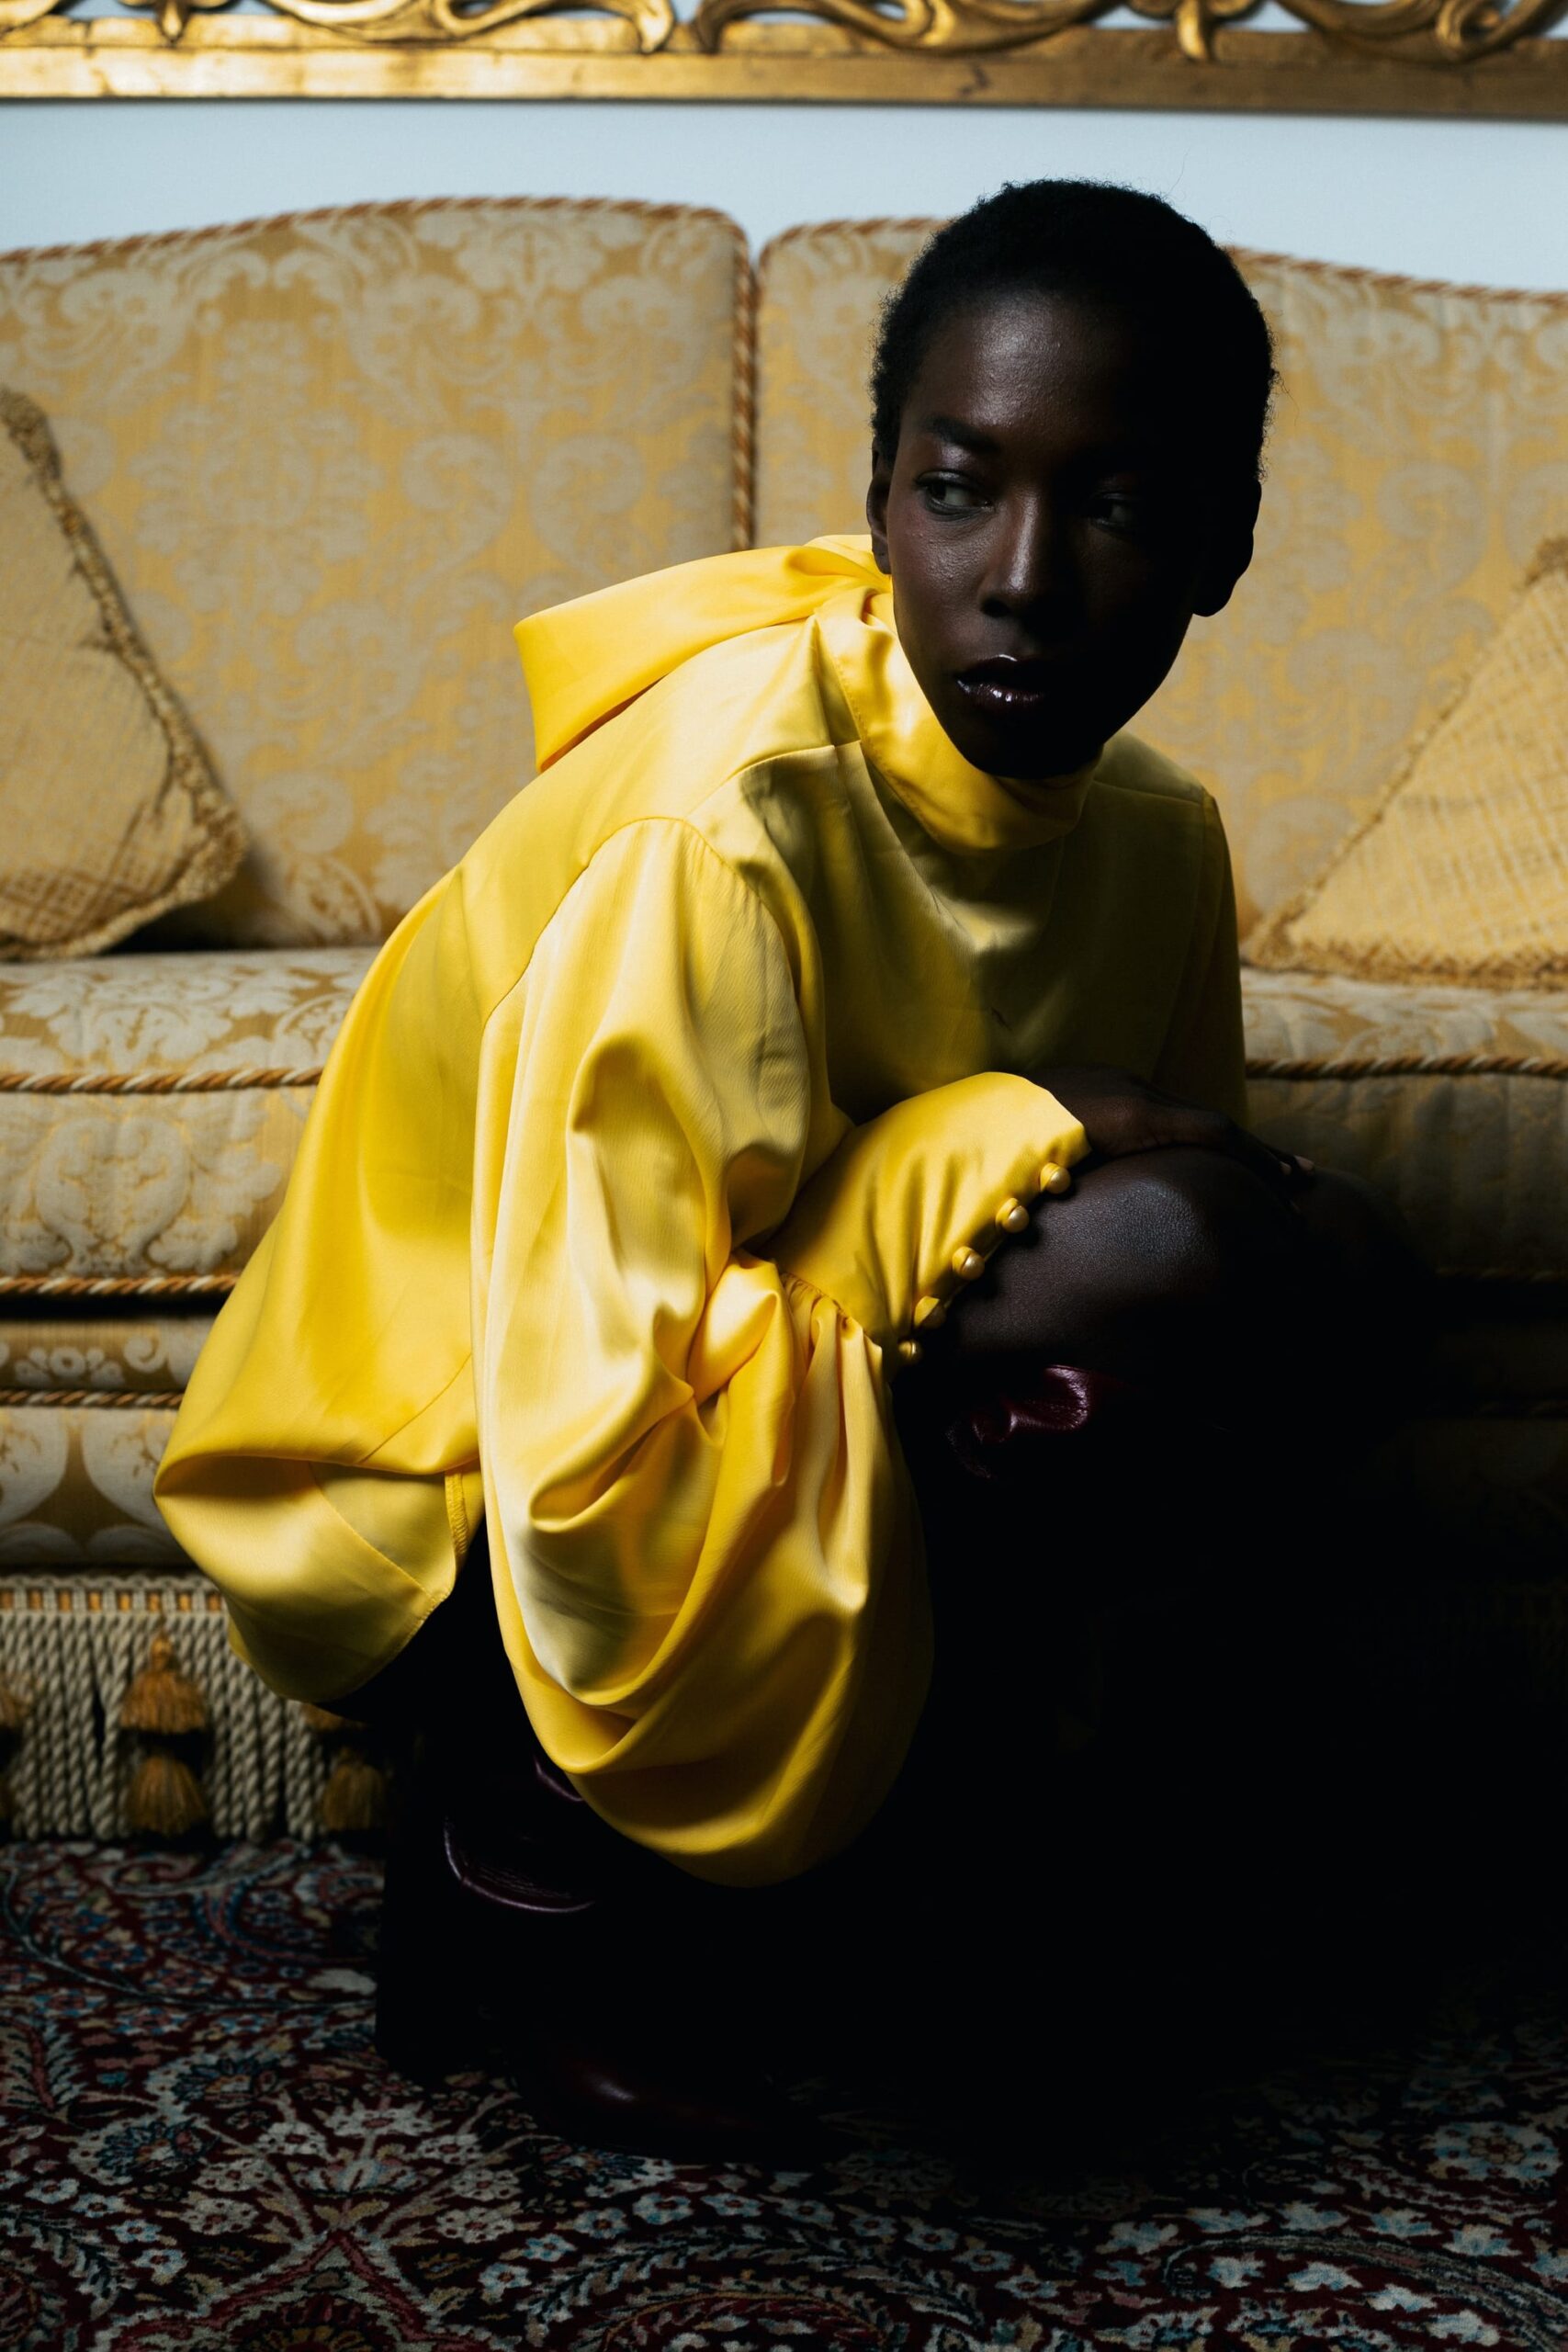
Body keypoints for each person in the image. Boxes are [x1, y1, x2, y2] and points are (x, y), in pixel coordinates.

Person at [154, 181, 1420, 2152]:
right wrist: (1014, 1121)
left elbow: (1191, 1251)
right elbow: (596, 1395)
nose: (1019, 578)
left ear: (1220, 546)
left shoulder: (1156, 837)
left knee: (1298, 1269)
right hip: (469, 1463)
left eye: (1110, 505)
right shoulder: (722, 817)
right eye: (956, 490)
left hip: (767, 1387)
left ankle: (913, 1862)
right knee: (1159, 1251)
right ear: (879, 502)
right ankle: (546, 1857)